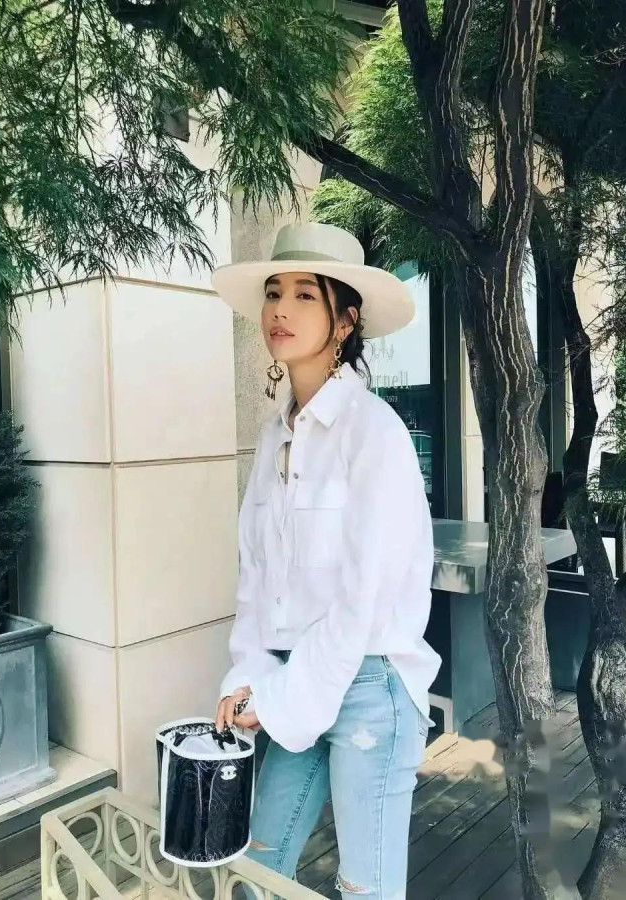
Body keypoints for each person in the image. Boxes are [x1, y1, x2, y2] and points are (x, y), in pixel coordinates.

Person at [211, 223, 440, 899]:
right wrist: (247, 675)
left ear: (345, 321)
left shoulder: (375, 432)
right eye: (273, 292)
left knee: (364, 891)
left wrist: (282, 697)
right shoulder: (274, 436)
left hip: (370, 685)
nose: (280, 309)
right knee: (255, 876)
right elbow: (256, 577)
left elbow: (362, 598)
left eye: (305, 295)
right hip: (293, 678)